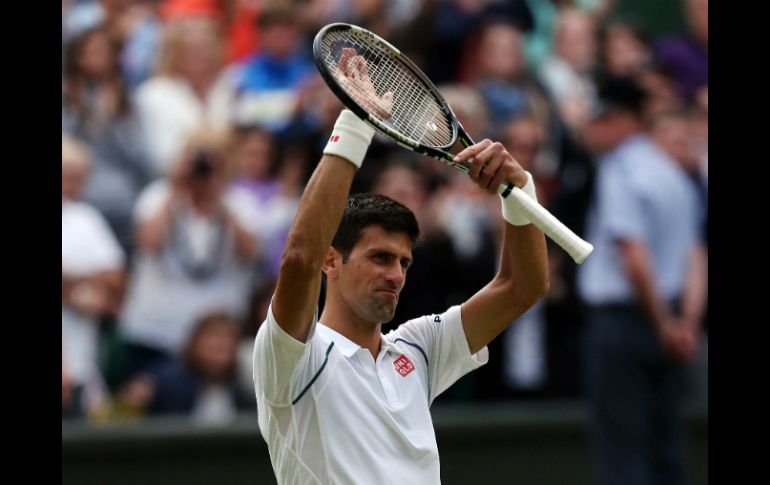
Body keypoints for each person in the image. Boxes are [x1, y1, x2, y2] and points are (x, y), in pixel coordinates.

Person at [252, 49, 548, 483]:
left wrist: (519, 191)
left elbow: (522, 286)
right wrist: (355, 122)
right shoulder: (293, 357)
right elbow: (299, 257)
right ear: (331, 261)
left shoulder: (419, 349)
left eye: (404, 262)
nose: (395, 275)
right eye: (379, 258)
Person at [577, 75, 707, 485]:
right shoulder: (674, 172)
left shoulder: (620, 169)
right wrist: (685, 323)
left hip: (625, 327)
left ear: (624, 119)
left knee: (624, 459)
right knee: (665, 451)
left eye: (603, 119)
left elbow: (634, 258)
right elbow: (694, 257)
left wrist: (664, 324)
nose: (595, 129)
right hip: (668, 328)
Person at [62, 135, 127, 418]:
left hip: (80, 358)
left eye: (77, 176)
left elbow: (114, 279)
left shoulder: (86, 218)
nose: (70, 183)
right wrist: (77, 288)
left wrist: (73, 283)